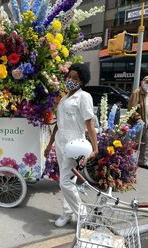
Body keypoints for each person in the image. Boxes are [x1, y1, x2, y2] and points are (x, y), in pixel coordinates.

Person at [44, 63, 98, 227]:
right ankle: (67, 213)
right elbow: (58, 124)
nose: (71, 80)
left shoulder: (84, 97)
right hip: (61, 140)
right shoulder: (65, 98)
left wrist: (95, 148)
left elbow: (89, 124)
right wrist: (50, 144)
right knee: (65, 179)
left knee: (65, 182)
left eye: (75, 78)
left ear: (82, 81)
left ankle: (83, 216)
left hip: (75, 143)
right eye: (69, 77)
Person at [128, 74, 148, 169]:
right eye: (146, 83)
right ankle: (129, 161)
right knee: (134, 143)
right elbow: (131, 108)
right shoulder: (137, 93)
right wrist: (138, 118)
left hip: (147, 123)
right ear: (142, 83)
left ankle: (142, 161)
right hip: (138, 123)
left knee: (146, 143)